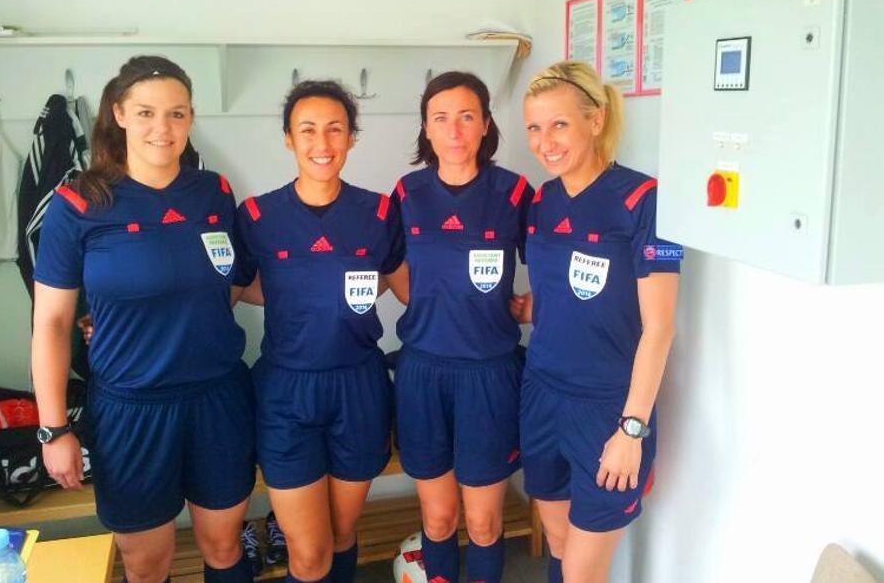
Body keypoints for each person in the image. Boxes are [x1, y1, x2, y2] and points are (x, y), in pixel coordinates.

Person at [31, 56, 256, 583]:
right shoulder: (78, 203)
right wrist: (53, 429)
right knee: (147, 563)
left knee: (224, 546)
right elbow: (53, 324)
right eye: (147, 113)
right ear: (120, 114)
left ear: (191, 118)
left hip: (218, 399)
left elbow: (232, 281)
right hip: (132, 409)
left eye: (177, 114)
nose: (163, 128)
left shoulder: (215, 192)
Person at [512, 60, 681, 583]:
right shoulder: (541, 201)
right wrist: (533, 307)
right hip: (541, 394)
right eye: (534, 128)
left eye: (559, 124)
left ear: (596, 119)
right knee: (560, 547)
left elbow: (660, 328)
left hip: (608, 409)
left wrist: (632, 430)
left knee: (584, 572)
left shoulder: (646, 200)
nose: (545, 142)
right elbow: (564, 288)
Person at [233, 80, 404, 583]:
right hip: (287, 391)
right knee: (309, 555)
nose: (322, 143)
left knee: (342, 535)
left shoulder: (379, 212)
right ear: (289, 138)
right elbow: (232, 290)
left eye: (335, 129)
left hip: (358, 386)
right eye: (307, 130)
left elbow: (409, 286)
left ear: (352, 136)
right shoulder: (257, 216)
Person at [390, 71, 534, 583]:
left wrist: (536, 305)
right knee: (439, 519)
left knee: (484, 522)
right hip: (423, 372)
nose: (454, 130)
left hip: (488, 374)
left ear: (486, 125)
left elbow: (553, 263)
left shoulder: (513, 191)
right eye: (441, 118)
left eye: (466, 117)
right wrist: (425, 299)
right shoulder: (407, 193)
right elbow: (387, 264)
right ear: (426, 128)